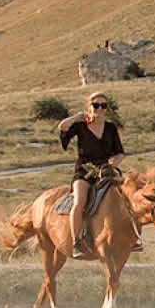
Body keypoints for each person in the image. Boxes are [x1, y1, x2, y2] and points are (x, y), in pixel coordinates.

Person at [57, 95, 126, 257]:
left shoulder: (110, 128)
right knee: (80, 200)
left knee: (126, 197)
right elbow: (62, 127)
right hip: (84, 170)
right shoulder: (81, 126)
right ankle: (76, 242)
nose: (100, 109)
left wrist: (113, 164)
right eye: (96, 105)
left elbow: (120, 153)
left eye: (103, 105)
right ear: (89, 106)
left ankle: (130, 237)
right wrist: (77, 117)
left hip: (105, 170)